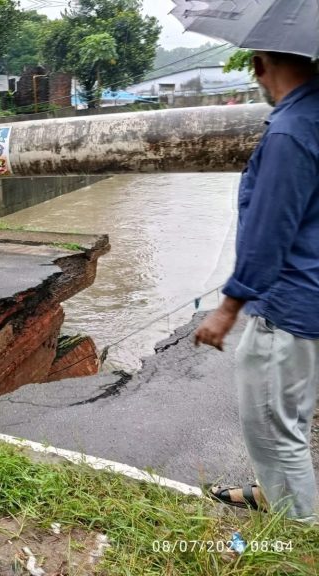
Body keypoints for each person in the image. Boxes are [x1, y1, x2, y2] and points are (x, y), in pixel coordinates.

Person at [195, 51, 319, 522]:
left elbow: (269, 231)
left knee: (274, 428)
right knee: (290, 415)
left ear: (260, 65)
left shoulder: (289, 131)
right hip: (309, 295)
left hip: (288, 303)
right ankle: (271, 494)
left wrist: (227, 308)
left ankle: (296, 537)